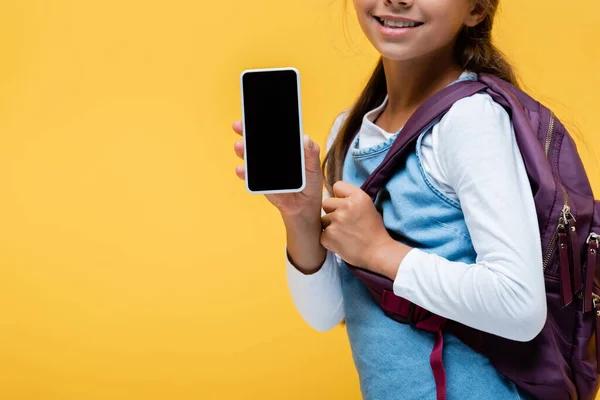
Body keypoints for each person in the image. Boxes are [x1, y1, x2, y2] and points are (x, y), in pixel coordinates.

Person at [232, 0, 546, 398]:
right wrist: (300, 216)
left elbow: (519, 305)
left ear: (476, 9)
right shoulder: (349, 133)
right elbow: (327, 314)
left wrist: (380, 251)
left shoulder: (470, 120)